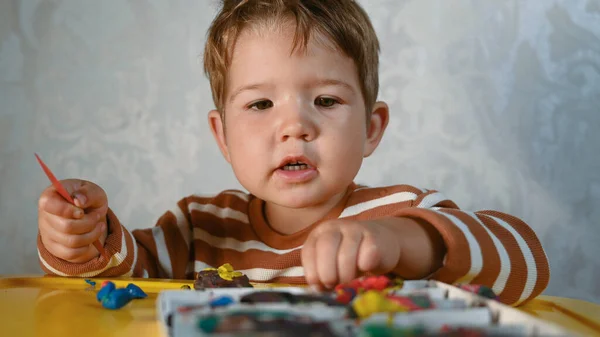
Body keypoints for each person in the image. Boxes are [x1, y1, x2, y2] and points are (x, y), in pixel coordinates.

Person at [36, 0, 549, 306]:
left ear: (372, 129)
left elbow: (527, 261)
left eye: (325, 101)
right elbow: (119, 284)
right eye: (260, 103)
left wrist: (400, 242)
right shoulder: (197, 227)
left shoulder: (395, 214)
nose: (294, 126)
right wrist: (85, 238)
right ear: (223, 136)